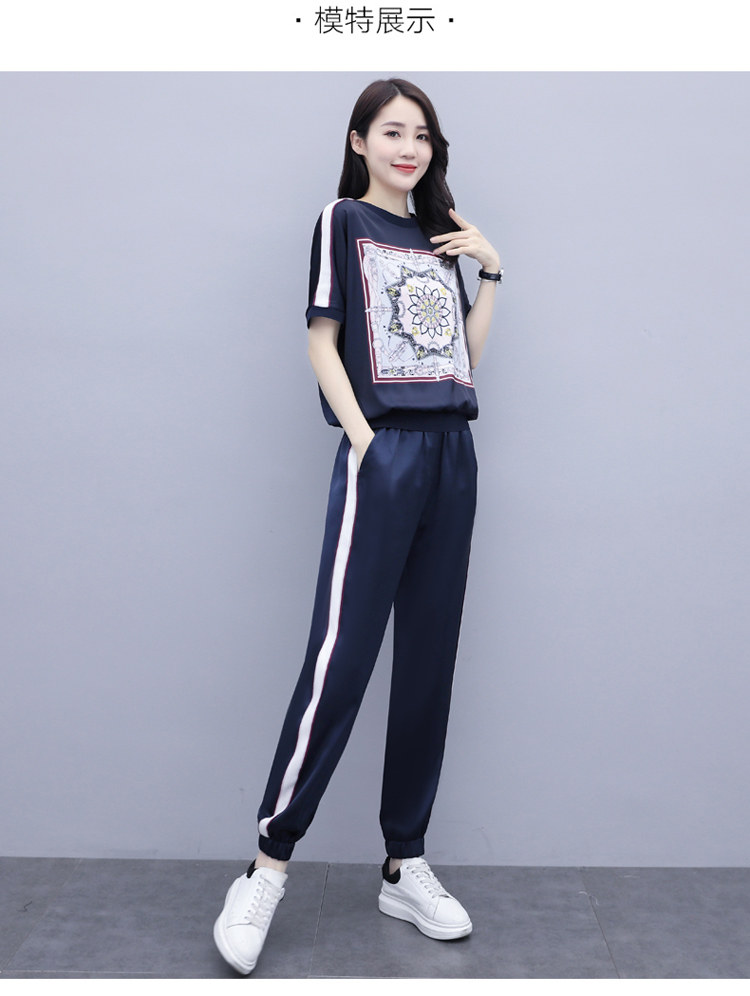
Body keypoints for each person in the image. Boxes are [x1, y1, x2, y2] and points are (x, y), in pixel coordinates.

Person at [213, 77, 502, 976]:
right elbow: (320, 339)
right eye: (393, 132)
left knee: (429, 662)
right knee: (340, 660)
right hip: (386, 456)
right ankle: (267, 864)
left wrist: (490, 274)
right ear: (360, 140)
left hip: (453, 455)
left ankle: (404, 863)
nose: (409, 148)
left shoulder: (438, 238)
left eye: (422, 135)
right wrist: (368, 442)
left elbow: (459, 361)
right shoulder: (343, 221)